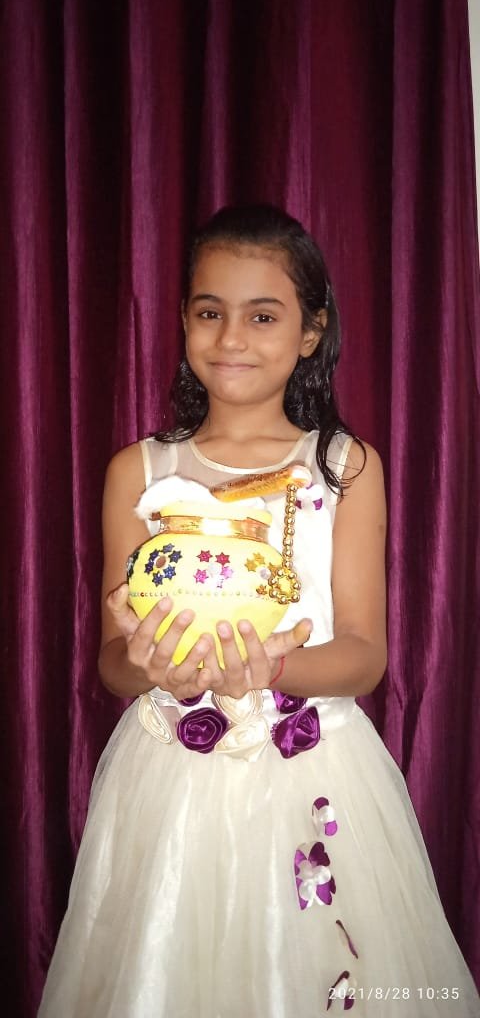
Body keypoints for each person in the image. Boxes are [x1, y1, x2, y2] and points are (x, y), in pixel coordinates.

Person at [39, 205, 479, 1017]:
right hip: (171, 778)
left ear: (311, 331)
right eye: (210, 312)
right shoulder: (140, 470)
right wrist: (150, 666)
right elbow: (111, 662)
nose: (231, 337)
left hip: (314, 775)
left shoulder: (344, 466)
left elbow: (364, 653)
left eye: (263, 316)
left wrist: (275, 666)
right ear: (184, 321)